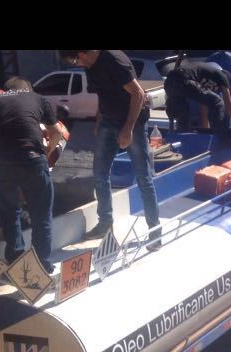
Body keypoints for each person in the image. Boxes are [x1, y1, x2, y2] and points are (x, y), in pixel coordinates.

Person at [58, 50, 161, 247]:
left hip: (133, 123)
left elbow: (138, 94)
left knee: (143, 177)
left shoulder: (113, 60)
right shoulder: (89, 65)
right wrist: (99, 120)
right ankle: (105, 223)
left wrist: (128, 130)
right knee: (100, 173)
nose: (78, 65)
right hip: (108, 121)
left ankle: (155, 231)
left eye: (76, 60)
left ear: (82, 52)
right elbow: (102, 93)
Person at [0, 76, 63, 272]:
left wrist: (0, 149)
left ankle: (15, 262)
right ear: (27, 88)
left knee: (9, 212)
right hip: (32, 158)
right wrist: (47, 152)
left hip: (2, 162)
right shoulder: (37, 98)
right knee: (41, 214)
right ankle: (42, 264)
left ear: (4, 90)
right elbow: (56, 132)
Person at [163, 61, 231, 140]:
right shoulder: (223, 77)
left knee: (183, 113)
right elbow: (229, 105)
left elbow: (203, 108)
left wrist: (206, 135)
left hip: (169, 83)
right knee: (218, 102)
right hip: (183, 80)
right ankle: (221, 136)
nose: (218, 91)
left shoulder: (205, 76)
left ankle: (183, 139)